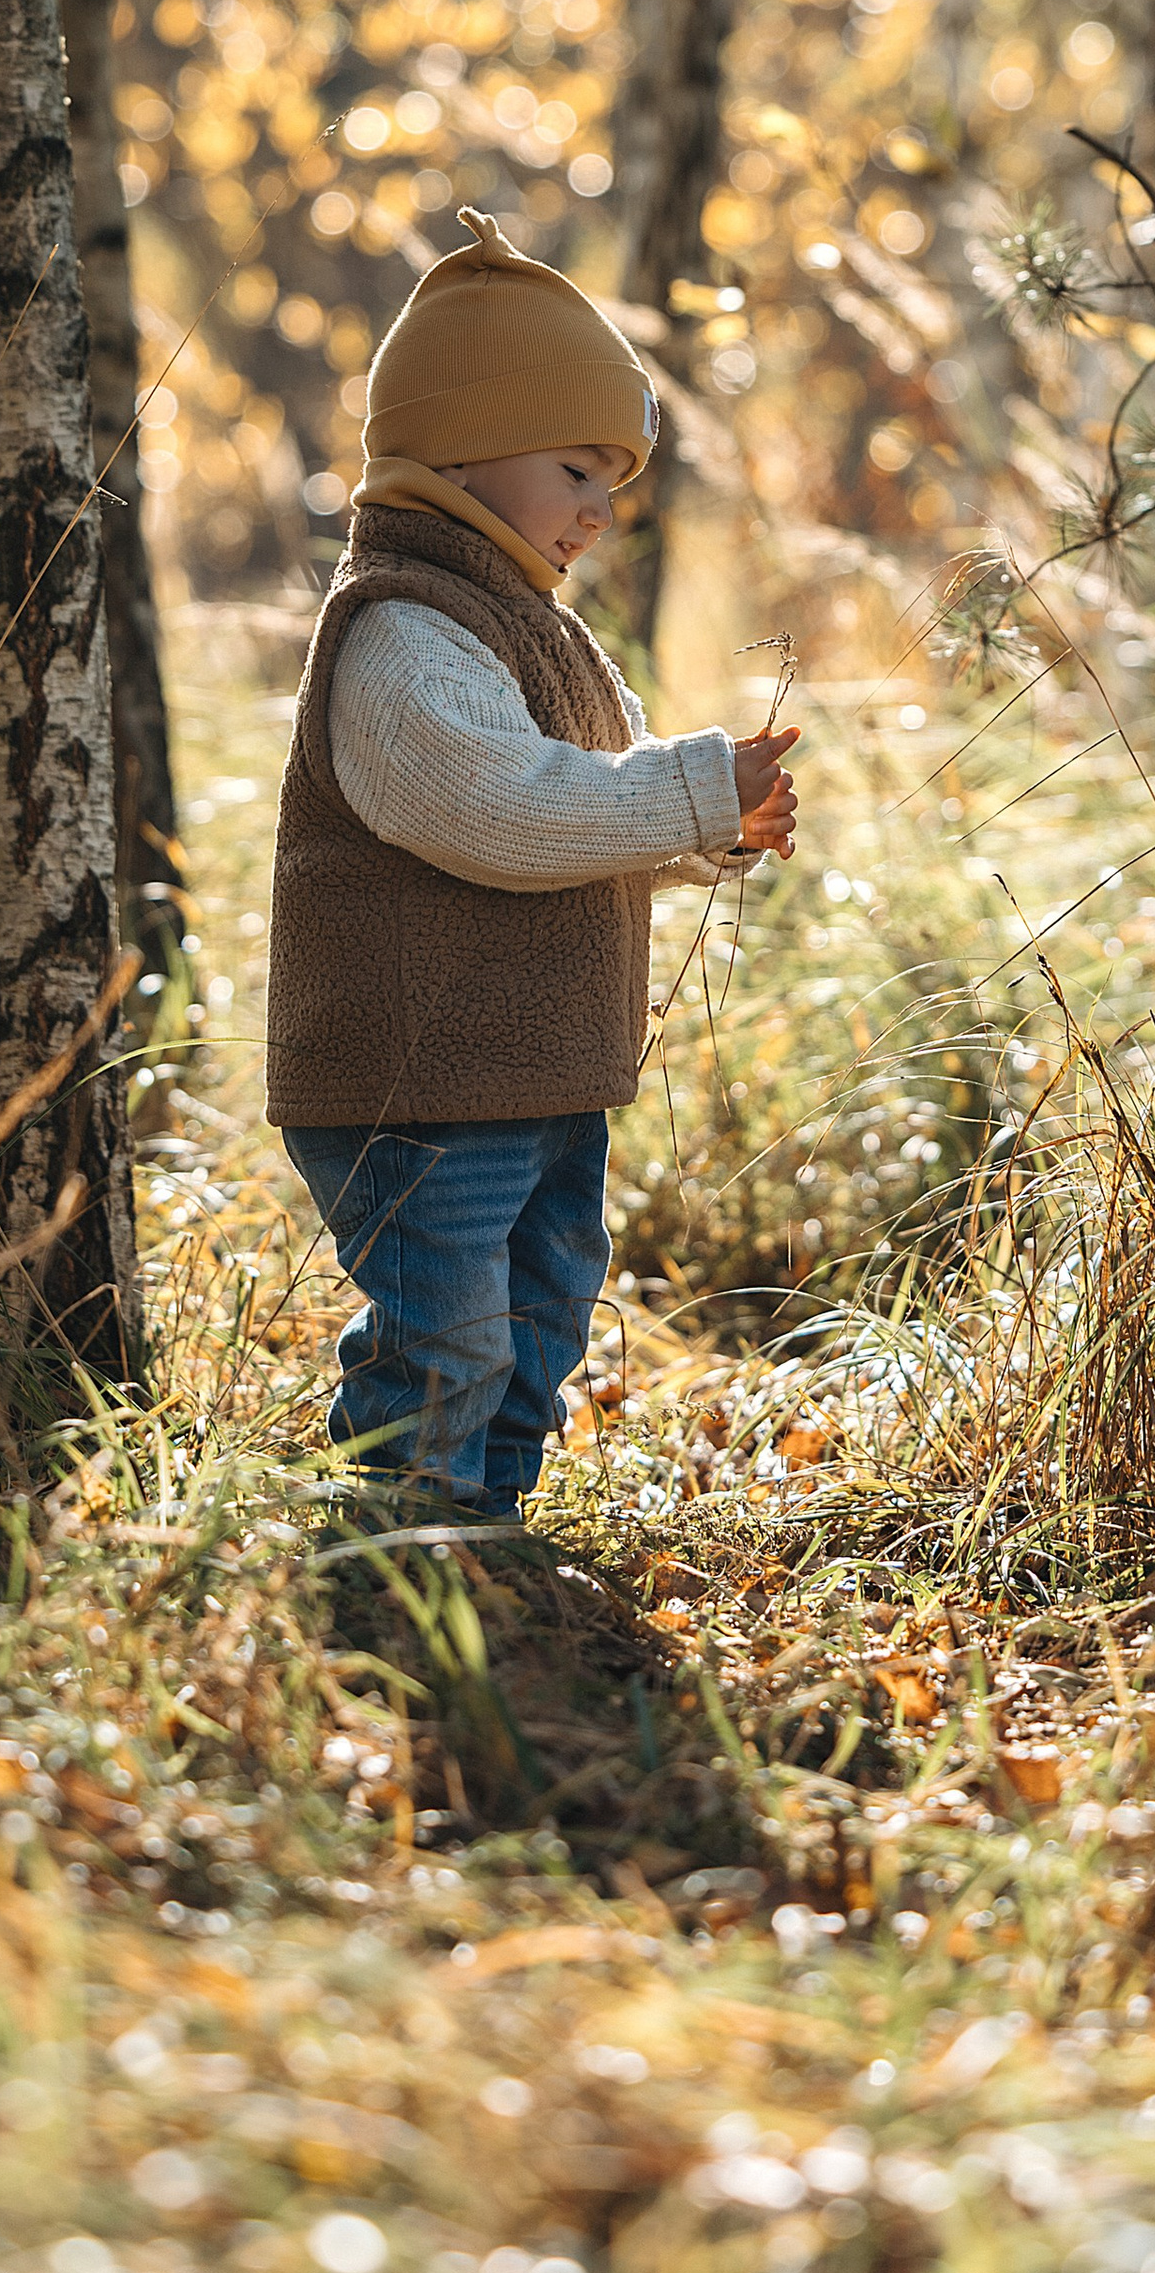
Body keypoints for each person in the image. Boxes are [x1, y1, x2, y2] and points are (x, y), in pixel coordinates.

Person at [265, 208, 798, 1519]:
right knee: (448, 1328)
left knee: (545, 1303)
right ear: (461, 450)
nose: (601, 511)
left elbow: (581, 813)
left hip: (531, 1066)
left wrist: (703, 826)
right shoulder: (402, 632)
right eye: (576, 469)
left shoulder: (528, 625)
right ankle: (399, 1543)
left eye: (612, 480)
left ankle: (486, 1524)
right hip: (421, 1075)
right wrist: (683, 787)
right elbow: (503, 813)